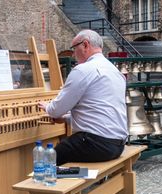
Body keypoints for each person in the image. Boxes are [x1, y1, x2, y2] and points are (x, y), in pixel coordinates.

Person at [38, 30, 128, 166]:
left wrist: (47, 107)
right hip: (117, 145)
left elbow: (56, 110)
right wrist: (66, 119)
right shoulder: (114, 71)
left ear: (85, 45)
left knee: (46, 162)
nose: (73, 54)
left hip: (96, 144)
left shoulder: (83, 70)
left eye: (74, 48)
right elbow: (98, 111)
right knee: (66, 147)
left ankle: (41, 185)